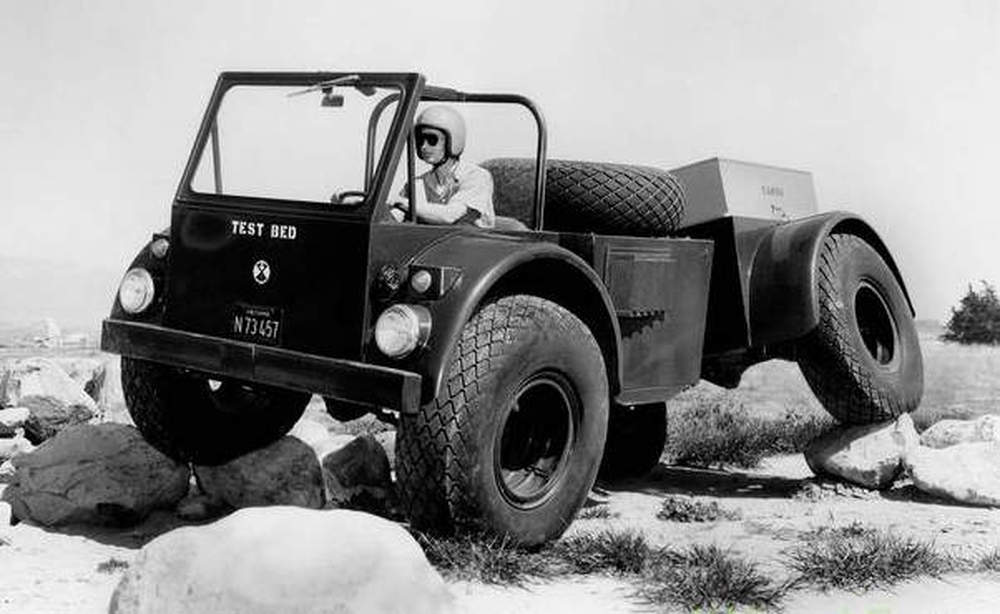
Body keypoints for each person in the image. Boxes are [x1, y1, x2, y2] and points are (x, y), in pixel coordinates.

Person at [389, 106, 495, 228]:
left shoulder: (476, 177)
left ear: (453, 140)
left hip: (471, 239)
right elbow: (395, 217)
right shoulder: (417, 184)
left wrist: (401, 202)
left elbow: (452, 215)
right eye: (420, 140)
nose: (424, 146)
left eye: (432, 139)